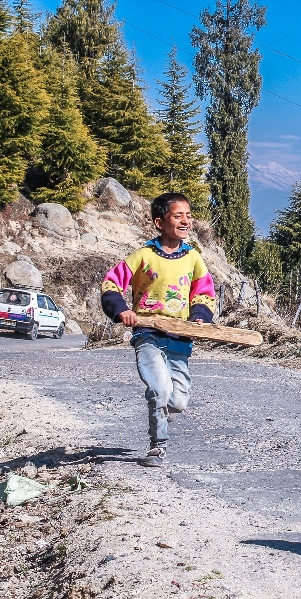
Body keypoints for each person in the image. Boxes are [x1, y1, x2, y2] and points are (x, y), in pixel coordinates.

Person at [100, 193, 216, 468]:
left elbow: (204, 293)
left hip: (179, 337)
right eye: (178, 216)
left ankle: (162, 413)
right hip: (147, 334)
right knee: (159, 389)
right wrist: (122, 311)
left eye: (188, 215)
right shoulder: (143, 256)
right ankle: (157, 445)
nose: (186, 221)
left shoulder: (194, 259)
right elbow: (110, 284)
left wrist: (199, 316)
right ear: (159, 222)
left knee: (179, 399)